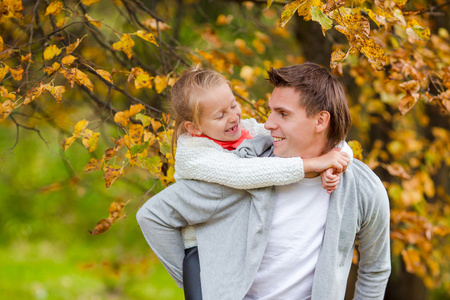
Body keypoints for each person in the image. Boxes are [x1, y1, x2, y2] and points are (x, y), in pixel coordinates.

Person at [137, 63, 391, 299]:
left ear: (321, 121)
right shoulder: (243, 171)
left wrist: (338, 159)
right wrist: (214, 286)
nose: (267, 124)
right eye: (271, 111)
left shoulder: (361, 188)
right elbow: (153, 216)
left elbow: (375, 271)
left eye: (282, 114)